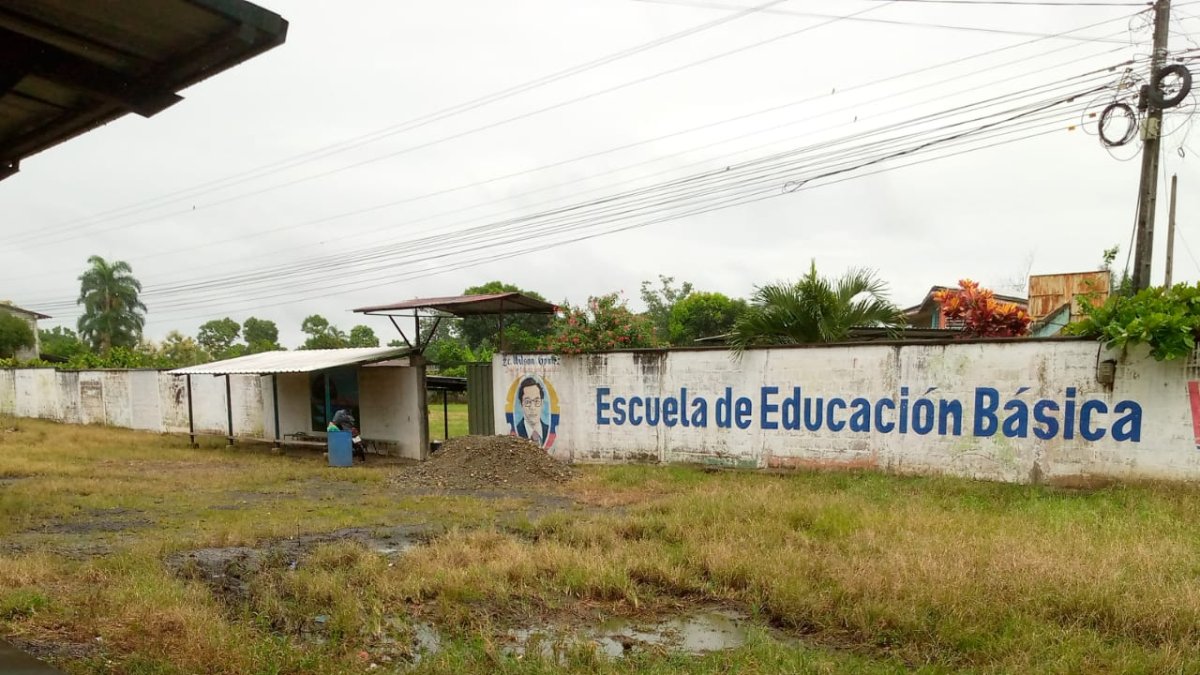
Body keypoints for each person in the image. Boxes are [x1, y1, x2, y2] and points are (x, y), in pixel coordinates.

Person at [514, 377, 554, 448]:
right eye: (527, 402)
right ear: (521, 404)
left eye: (536, 401)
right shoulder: (515, 433)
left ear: (542, 403)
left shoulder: (549, 431)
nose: (532, 407)